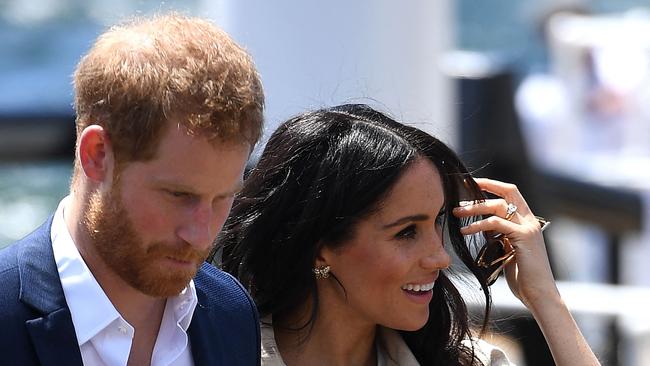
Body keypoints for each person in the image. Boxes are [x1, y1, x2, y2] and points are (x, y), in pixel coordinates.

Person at [216, 104, 600, 365]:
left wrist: (544, 298)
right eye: (406, 233)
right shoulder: (216, 351)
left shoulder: (467, 362)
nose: (441, 257)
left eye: (437, 223)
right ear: (321, 246)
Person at [0, 13, 264, 366]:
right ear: (97, 155)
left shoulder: (231, 314)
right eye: (179, 195)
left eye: (222, 198)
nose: (201, 236)